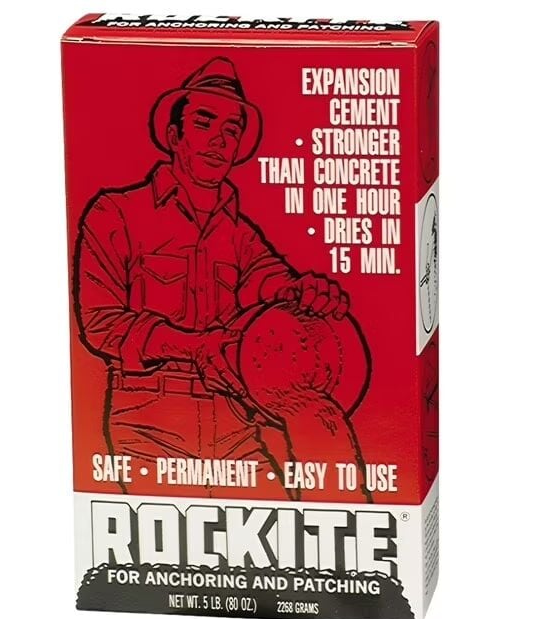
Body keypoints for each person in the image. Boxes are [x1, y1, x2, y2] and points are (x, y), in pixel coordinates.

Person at [74, 57, 351, 498]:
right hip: (148, 426)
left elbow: (272, 283)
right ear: (174, 136)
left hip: (237, 427)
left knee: (280, 528)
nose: (220, 140)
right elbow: (100, 323)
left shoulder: (240, 234)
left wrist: (305, 293)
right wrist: (192, 346)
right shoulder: (116, 214)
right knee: (161, 535)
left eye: (232, 130)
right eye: (204, 123)